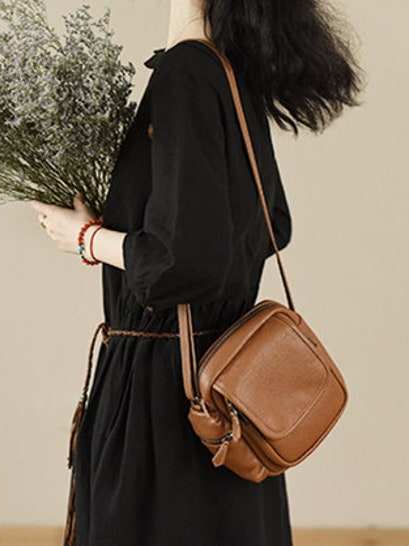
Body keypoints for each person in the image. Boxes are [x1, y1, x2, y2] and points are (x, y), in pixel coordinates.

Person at [30, 0, 362, 544]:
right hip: (227, 394)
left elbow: (182, 261)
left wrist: (85, 238)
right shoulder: (228, 69)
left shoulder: (188, 72)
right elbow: (269, 226)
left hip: (167, 400)